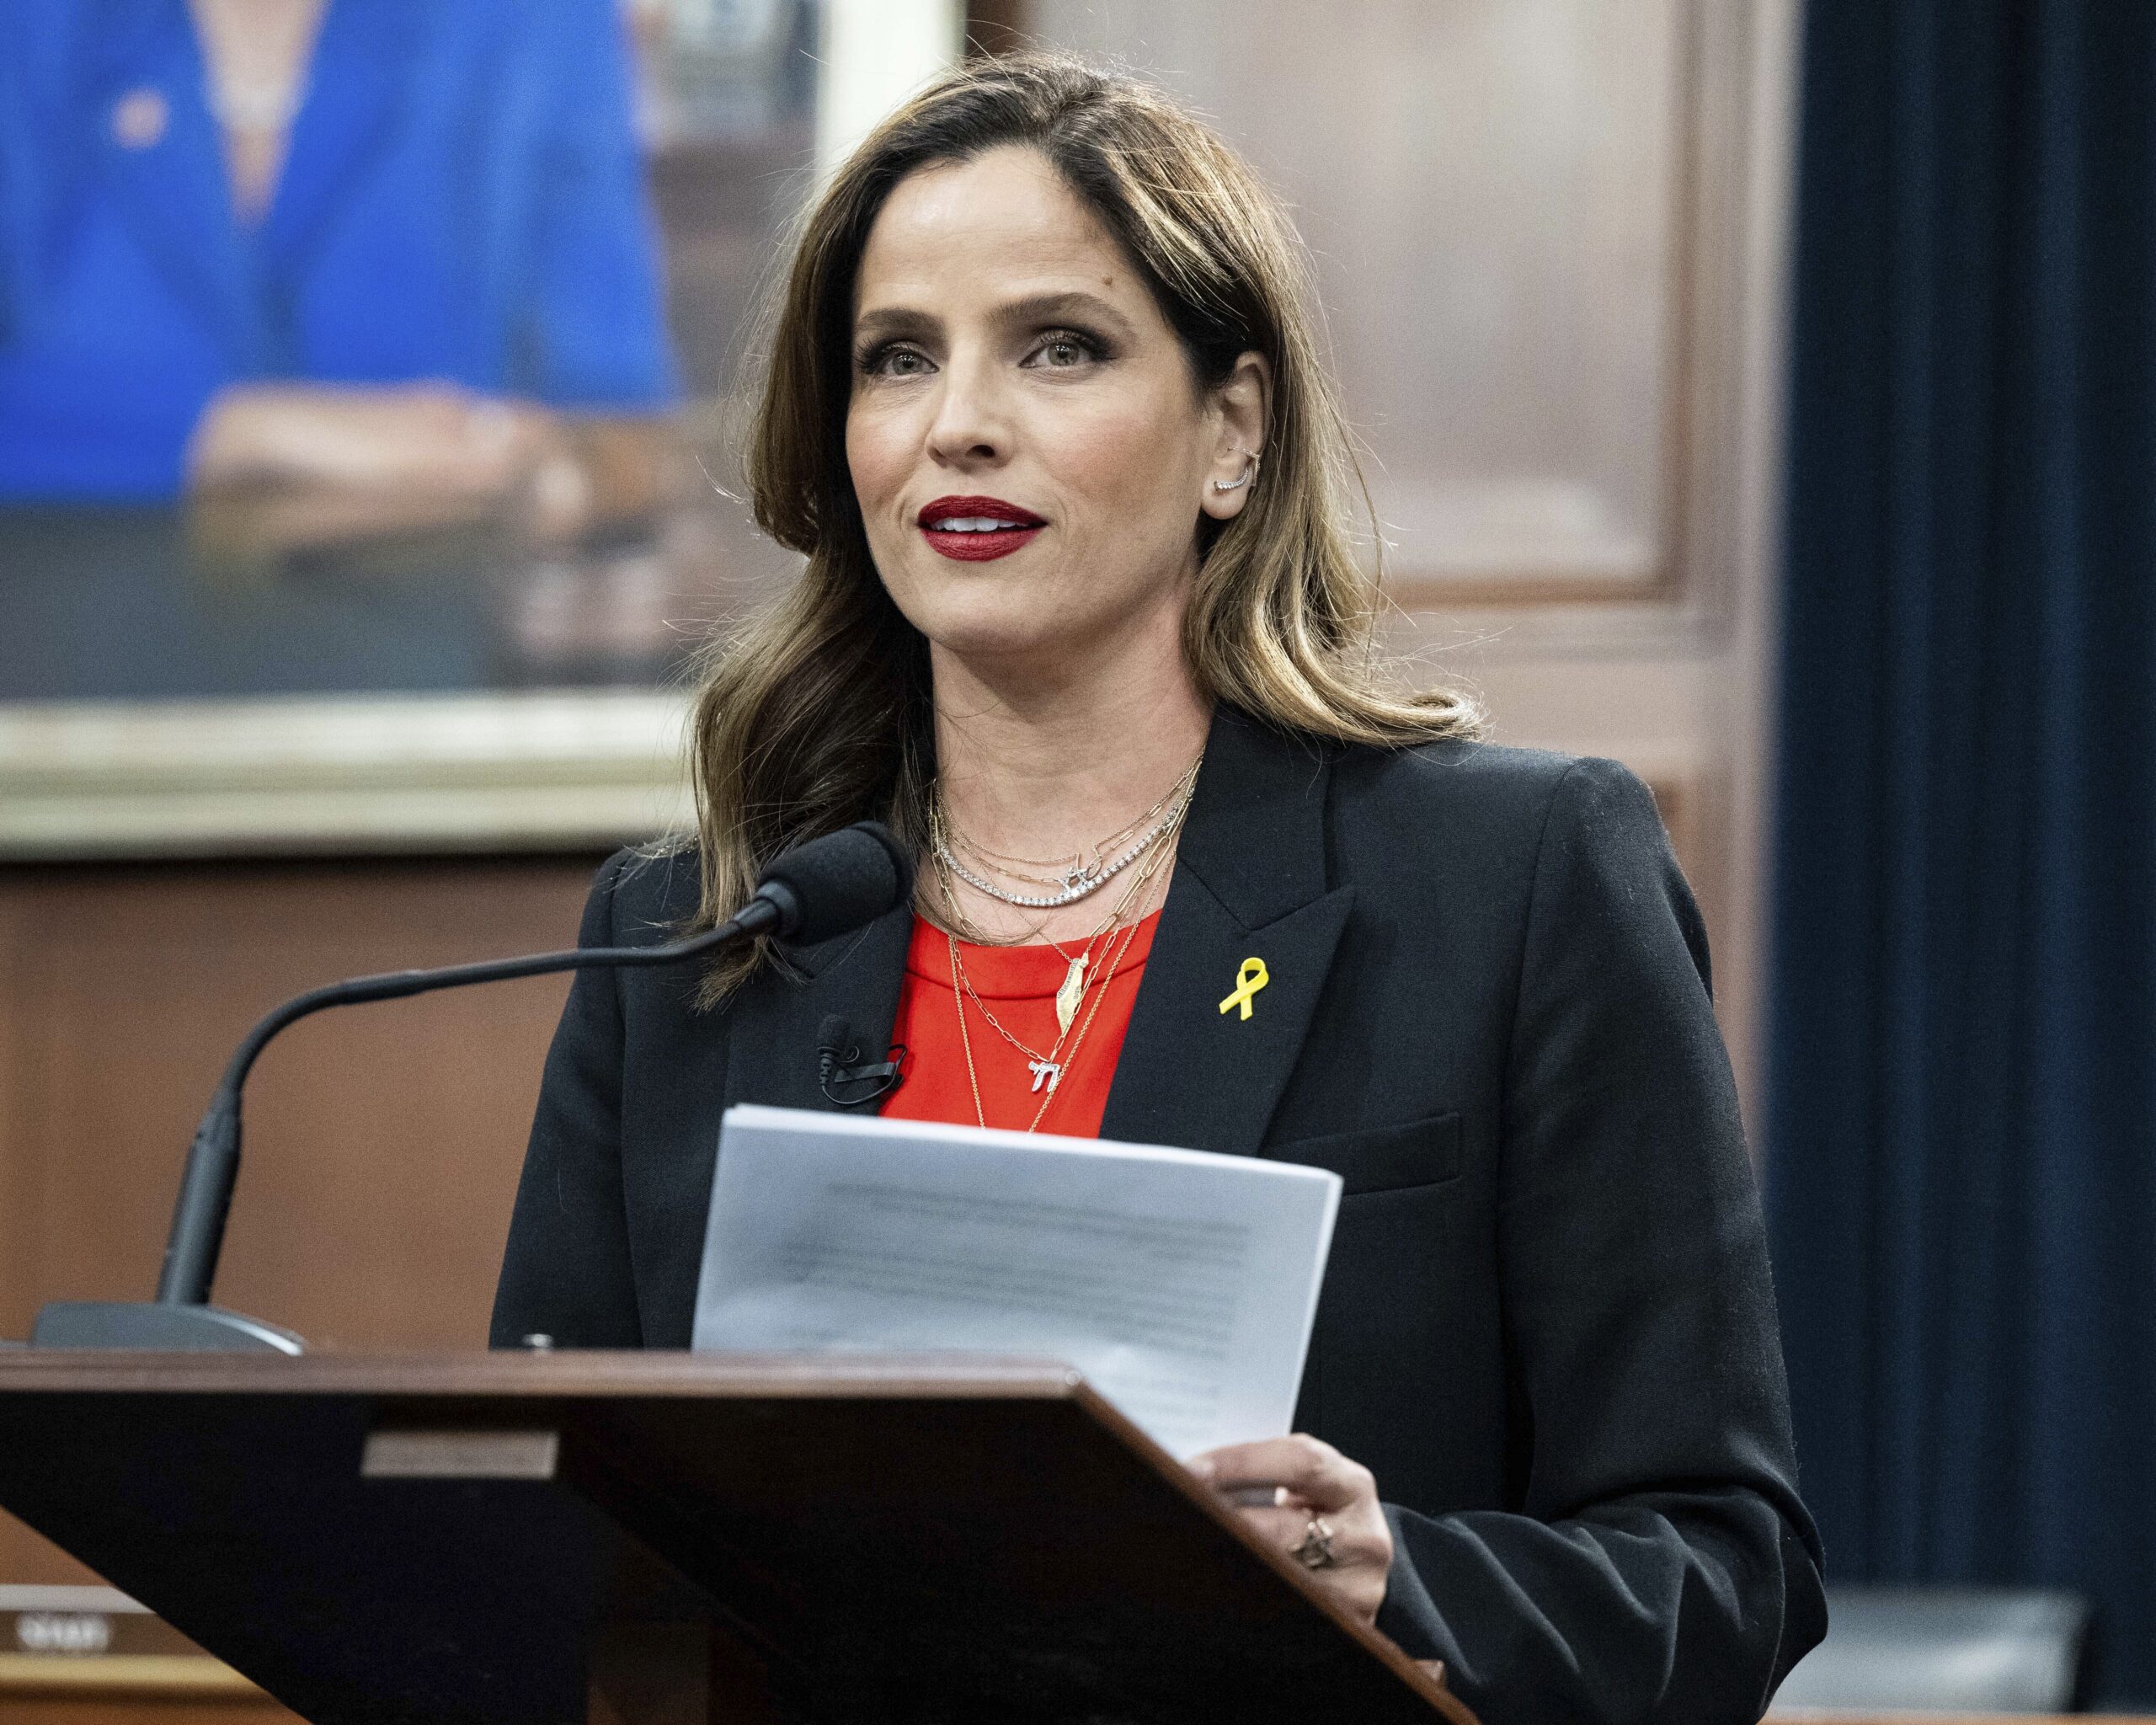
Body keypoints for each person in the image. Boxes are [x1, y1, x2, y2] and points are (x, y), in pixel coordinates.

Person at [491, 53, 1826, 1722]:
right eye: (898, 357)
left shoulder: (1515, 879)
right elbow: (538, 1554)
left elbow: (1721, 1571)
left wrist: (1392, 1575)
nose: (959, 422)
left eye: (1058, 346)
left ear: (1231, 435)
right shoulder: (695, 936)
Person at [0, 0, 676, 555]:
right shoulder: (32, 28)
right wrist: (240, 431)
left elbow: (617, 417)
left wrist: (542, 472)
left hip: (422, 642)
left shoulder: (539, 22)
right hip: (55, 650)